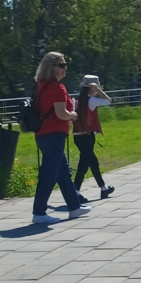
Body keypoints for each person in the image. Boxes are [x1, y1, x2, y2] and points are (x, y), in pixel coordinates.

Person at [31, 52, 90, 224]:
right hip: (54, 134)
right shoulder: (57, 87)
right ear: (52, 68)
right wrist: (74, 115)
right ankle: (39, 212)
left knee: (63, 172)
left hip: (43, 134)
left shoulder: (42, 86)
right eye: (62, 65)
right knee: (49, 173)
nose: (65, 68)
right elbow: (61, 113)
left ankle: (74, 207)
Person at [72, 75, 115, 202]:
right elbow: (108, 100)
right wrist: (100, 91)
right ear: (93, 88)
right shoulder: (92, 101)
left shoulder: (76, 101)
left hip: (77, 136)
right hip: (88, 136)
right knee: (84, 164)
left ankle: (103, 188)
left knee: (92, 162)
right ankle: (75, 191)